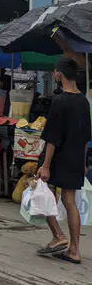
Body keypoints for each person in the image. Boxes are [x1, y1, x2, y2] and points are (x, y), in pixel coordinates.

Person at [36, 57, 90, 264]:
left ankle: (58, 236)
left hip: (59, 157)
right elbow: (86, 136)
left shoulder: (60, 101)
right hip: (76, 157)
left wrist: (46, 165)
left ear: (58, 74)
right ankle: (74, 250)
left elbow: (52, 138)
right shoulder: (84, 101)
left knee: (43, 192)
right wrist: (83, 161)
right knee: (69, 201)